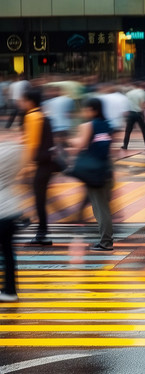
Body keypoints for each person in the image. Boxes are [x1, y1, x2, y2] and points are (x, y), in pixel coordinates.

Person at [70, 98, 114, 251]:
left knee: (100, 209)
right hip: (106, 170)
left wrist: (70, 141)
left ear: (93, 110)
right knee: (103, 207)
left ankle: (106, 242)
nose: (84, 112)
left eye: (86, 109)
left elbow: (80, 144)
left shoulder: (89, 125)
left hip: (95, 172)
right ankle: (106, 240)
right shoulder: (107, 124)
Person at [21, 88, 55, 246]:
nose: (22, 103)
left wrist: (26, 167)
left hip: (39, 166)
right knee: (39, 199)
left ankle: (40, 233)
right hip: (46, 164)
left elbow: (32, 144)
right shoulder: (43, 115)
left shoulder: (32, 116)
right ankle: (38, 230)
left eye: (24, 100)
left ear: (30, 101)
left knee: (39, 200)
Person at [0, 140, 23, 301]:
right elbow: (18, 147)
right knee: (8, 253)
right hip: (11, 211)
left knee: (7, 253)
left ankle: (9, 290)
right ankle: (10, 290)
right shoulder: (12, 155)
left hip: (2, 212)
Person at [122, 83, 145, 151]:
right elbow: (142, 104)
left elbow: (126, 103)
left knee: (128, 131)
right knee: (144, 130)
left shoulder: (128, 93)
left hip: (131, 113)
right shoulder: (142, 92)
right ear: (140, 86)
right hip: (139, 113)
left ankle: (125, 145)